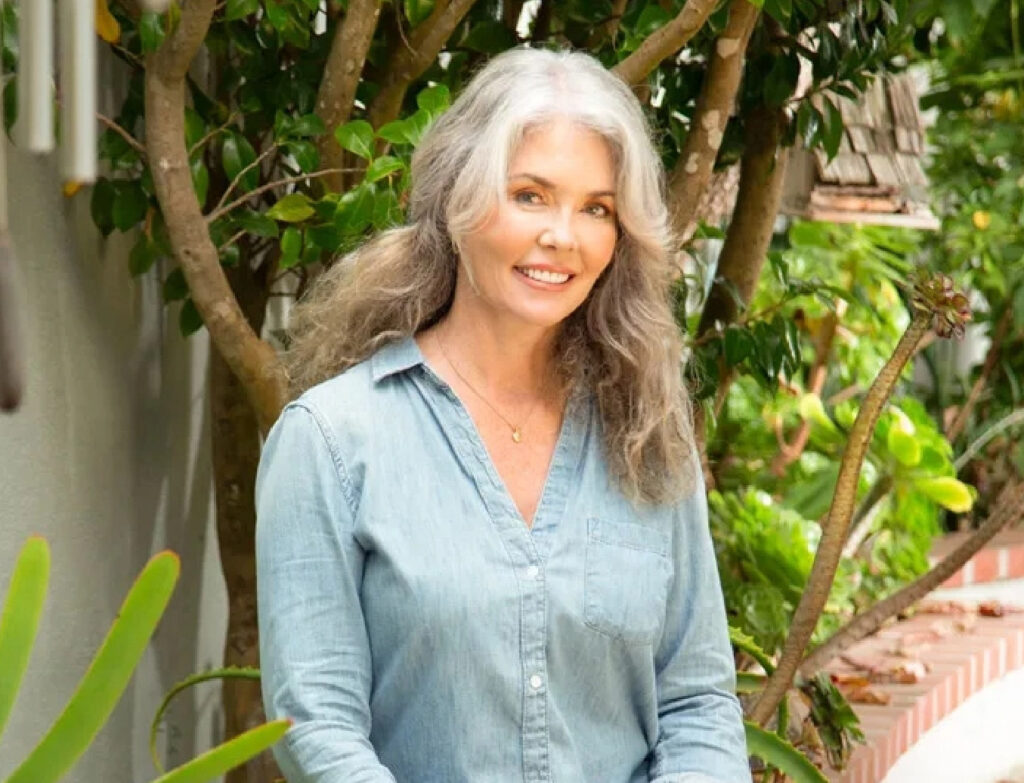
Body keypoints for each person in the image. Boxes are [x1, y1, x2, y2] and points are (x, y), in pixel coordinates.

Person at [255, 46, 750, 783]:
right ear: (458, 199)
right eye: (529, 195)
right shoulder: (332, 440)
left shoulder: (646, 431)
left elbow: (699, 699)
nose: (563, 235)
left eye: (596, 208)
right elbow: (316, 725)